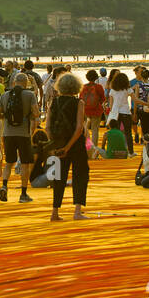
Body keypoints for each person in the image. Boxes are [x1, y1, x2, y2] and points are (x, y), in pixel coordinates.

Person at [47, 70, 89, 221]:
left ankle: (55, 212)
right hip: (76, 145)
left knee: (58, 178)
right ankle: (77, 212)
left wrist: (55, 147)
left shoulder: (53, 102)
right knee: (80, 175)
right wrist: (68, 147)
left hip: (58, 143)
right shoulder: (79, 103)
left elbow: (47, 127)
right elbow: (79, 128)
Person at [0, 72, 38, 203]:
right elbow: (36, 113)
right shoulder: (30, 95)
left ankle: (4, 186)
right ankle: (23, 194)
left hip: (8, 133)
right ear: (26, 83)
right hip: (24, 134)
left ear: (13, 82)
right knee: (25, 164)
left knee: (9, 162)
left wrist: (8, 116)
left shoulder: (5, 95)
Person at [80, 70, 107, 158]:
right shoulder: (98, 87)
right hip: (96, 110)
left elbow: (80, 99)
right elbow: (103, 99)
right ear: (96, 77)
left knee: (86, 131)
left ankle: (87, 148)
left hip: (86, 110)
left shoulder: (83, 87)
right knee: (95, 130)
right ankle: (94, 150)